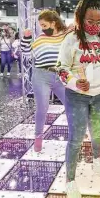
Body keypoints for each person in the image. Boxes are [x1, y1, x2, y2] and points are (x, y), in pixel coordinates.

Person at [56, 0, 100, 198]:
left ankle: (96, 158)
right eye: (90, 21)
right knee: (75, 139)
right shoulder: (71, 39)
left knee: (97, 132)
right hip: (77, 97)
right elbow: (61, 68)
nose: (95, 26)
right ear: (80, 18)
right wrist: (75, 82)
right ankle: (70, 180)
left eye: (99, 22)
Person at [21, 10, 68, 152]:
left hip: (61, 76)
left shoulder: (65, 37)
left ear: (53, 23)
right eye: (40, 25)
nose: (42, 28)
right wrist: (26, 37)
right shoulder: (40, 38)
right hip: (41, 75)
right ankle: (38, 137)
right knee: (42, 108)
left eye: (44, 24)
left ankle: (77, 132)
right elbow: (26, 53)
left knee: (72, 106)